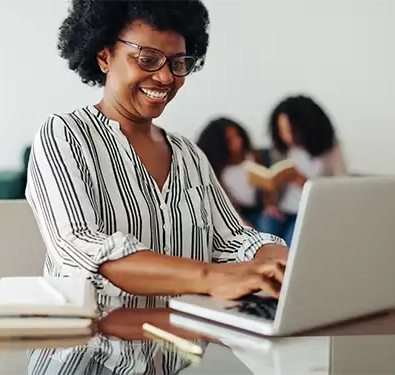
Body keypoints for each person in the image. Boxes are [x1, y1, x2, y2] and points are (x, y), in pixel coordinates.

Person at [25, 0, 289, 308]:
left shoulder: (189, 156)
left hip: (181, 348)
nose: (166, 78)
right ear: (104, 56)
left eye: (177, 63)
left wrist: (295, 264)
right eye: (147, 59)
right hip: (89, 345)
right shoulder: (64, 135)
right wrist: (211, 276)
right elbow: (84, 249)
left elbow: (234, 240)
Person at [258, 95, 348, 245]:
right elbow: (272, 185)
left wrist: (304, 182)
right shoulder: (281, 150)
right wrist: (270, 205)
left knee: (291, 242)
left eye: (290, 130)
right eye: (282, 131)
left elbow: (342, 186)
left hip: (311, 211)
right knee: (265, 229)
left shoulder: (331, 149)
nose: (286, 136)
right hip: (283, 208)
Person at [196, 117, 263, 228]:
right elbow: (224, 206)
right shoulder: (214, 170)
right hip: (236, 215)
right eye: (230, 139)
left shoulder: (254, 156)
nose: (238, 141)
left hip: (260, 210)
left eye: (238, 136)